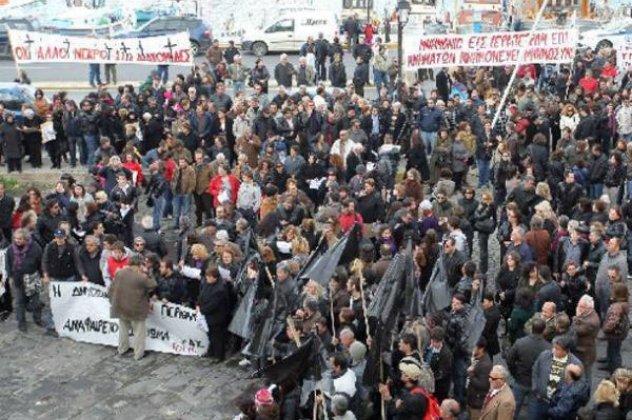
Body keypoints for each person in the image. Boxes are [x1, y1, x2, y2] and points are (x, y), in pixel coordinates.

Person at [109, 255, 157, 360]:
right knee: (139, 332)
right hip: (136, 309)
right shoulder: (141, 277)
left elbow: (111, 288)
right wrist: (147, 272)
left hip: (120, 306)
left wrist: (112, 302)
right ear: (140, 265)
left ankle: (122, 349)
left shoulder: (120, 273)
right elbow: (153, 284)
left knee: (123, 330)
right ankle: (138, 354)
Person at [529, 336, 583, 420]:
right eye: (553, 347)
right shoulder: (544, 355)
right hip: (542, 400)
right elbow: (535, 370)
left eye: (557, 349)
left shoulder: (575, 364)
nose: (553, 350)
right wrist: (536, 388)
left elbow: (578, 385)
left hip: (559, 405)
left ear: (566, 351)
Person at [506, 318, 550, 418]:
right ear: (544, 330)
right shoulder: (548, 348)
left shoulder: (520, 342)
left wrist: (515, 373)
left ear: (531, 328)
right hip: (536, 384)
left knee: (513, 409)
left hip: (520, 379)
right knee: (533, 412)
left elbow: (510, 360)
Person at [196, 265, 231, 362]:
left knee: (217, 336)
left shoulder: (220, 289)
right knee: (211, 335)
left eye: (208, 276)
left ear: (214, 277)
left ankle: (219, 355)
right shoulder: (207, 283)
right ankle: (211, 351)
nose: (206, 278)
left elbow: (213, 305)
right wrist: (198, 304)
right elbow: (201, 294)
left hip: (217, 316)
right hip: (208, 315)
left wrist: (201, 310)